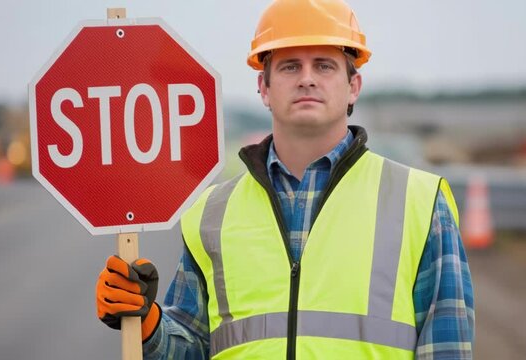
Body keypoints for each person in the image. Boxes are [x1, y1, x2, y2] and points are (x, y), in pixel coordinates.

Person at [96, 0, 475, 359]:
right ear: (264, 88)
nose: (307, 79)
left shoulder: (420, 202)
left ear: (353, 87)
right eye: (290, 66)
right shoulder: (212, 213)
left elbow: (447, 347)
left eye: (324, 66)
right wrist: (148, 324)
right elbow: (193, 347)